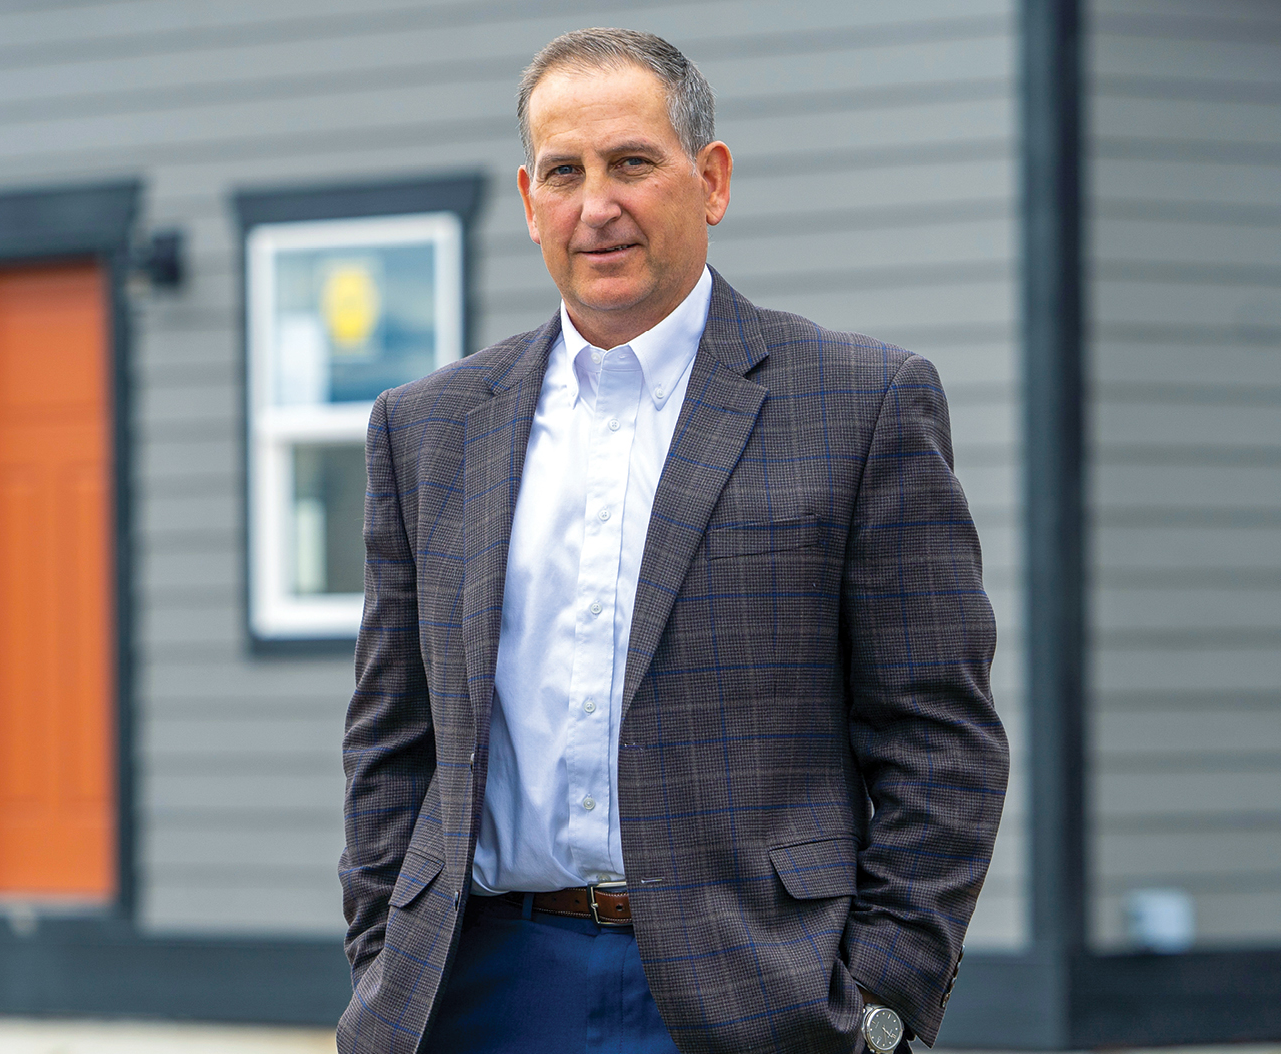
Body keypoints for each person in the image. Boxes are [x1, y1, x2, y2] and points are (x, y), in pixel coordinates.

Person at [336, 27, 1009, 1054]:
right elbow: (390, 737)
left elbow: (940, 741)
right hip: (478, 989)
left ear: (711, 180)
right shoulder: (427, 428)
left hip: (758, 994)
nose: (596, 205)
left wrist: (879, 1002)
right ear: (528, 202)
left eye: (631, 163)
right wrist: (383, 958)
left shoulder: (858, 404)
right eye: (564, 172)